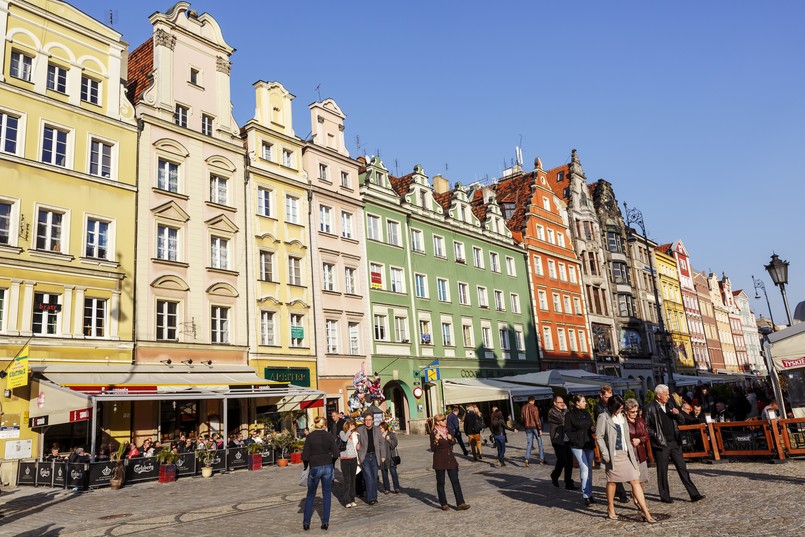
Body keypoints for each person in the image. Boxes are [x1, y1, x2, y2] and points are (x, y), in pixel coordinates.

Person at [643, 384, 705, 504]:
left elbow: (682, 421)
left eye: (668, 394)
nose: (668, 396)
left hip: (674, 442)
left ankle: (694, 494)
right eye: (665, 394)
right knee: (662, 471)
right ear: (658, 395)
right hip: (661, 444)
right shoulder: (649, 408)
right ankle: (665, 495)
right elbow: (646, 427)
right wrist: (657, 436)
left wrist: (678, 414)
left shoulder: (670, 405)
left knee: (683, 468)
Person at [596, 395, 655, 523]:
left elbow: (626, 437)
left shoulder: (622, 417)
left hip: (626, 454)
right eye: (619, 408)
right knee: (612, 482)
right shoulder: (604, 417)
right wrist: (605, 454)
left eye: (622, 408)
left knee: (635, 480)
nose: (620, 411)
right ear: (613, 406)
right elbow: (599, 437)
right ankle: (610, 507)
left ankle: (645, 511)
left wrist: (631, 455)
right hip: (613, 455)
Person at [301, 416, 340, 531]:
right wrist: (331, 463)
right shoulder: (328, 436)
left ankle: (306, 522)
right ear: (324, 425)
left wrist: (306, 466)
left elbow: (305, 456)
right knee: (327, 494)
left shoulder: (310, 436)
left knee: (310, 494)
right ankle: (325, 522)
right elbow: (336, 453)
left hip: (315, 466)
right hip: (327, 466)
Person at [430, 413, 470, 511]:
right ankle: (443, 503)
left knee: (455, 480)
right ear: (437, 422)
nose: (445, 421)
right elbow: (433, 448)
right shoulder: (434, 432)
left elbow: (454, 442)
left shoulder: (448, 429)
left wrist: (451, 438)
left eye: (445, 419)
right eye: (442, 420)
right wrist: (436, 440)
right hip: (439, 460)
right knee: (441, 482)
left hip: (450, 459)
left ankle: (460, 503)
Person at [594, 385, 627, 503]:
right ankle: (621, 494)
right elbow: (601, 431)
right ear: (602, 396)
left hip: (619, 444)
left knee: (618, 472)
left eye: (610, 396)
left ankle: (620, 492)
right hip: (609, 442)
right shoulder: (599, 408)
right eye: (607, 397)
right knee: (613, 472)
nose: (609, 399)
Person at [564, 394, 596, 506]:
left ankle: (590, 493)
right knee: (584, 467)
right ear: (577, 402)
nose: (585, 403)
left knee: (590, 469)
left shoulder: (587, 414)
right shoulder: (570, 415)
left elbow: (590, 425)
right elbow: (567, 430)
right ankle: (586, 495)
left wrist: (593, 429)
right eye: (583, 401)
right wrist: (574, 439)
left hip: (588, 443)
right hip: (577, 445)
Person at [355, 411, 388, 505]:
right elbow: (355, 440)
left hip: (374, 456)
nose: (368, 421)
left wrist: (383, 455)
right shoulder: (360, 430)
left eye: (370, 420)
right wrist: (357, 446)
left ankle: (374, 496)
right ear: (364, 421)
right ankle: (370, 499)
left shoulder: (377, 430)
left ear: (373, 421)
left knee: (374, 477)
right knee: (368, 477)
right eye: (366, 420)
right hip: (364, 456)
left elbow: (382, 443)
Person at [547, 395, 576, 489]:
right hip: (558, 439)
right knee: (562, 459)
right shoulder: (552, 412)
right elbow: (562, 420)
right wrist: (566, 410)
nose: (562, 404)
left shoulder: (563, 411)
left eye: (563, 402)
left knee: (569, 461)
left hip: (566, 438)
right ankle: (555, 475)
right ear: (555, 403)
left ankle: (569, 482)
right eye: (560, 402)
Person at [625, 398, 650, 486]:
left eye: (636, 411)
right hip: (630, 454)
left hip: (641, 453)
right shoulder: (623, 422)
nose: (635, 413)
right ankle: (636, 499)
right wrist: (631, 441)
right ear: (626, 411)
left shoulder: (640, 420)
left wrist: (640, 440)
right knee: (634, 480)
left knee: (642, 480)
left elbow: (647, 435)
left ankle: (639, 498)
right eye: (632, 411)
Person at [339, 420, 359, 508]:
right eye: (351, 425)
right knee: (347, 480)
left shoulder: (355, 434)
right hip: (345, 459)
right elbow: (344, 439)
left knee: (353, 479)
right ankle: (346, 500)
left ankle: (352, 498)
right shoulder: (342, 432)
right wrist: (349, 431)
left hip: (353, 459)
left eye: (354, 425)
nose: (353, 427)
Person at [520, 396, 545, 466]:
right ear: (533, 400)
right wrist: (540, 429)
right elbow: (536, 419)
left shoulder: (523, 407)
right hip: (535, 427)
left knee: (529, 444)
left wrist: (524, 425)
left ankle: (527, 459)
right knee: (539, 443)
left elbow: (522, 418)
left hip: (527, 427)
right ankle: (541, 459)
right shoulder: (534, 407)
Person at [379, 422, 400, 494]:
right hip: (383, 457)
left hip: (391, 457)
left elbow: (394, 445)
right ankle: (386, 488)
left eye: (381, 428)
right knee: (384, 474)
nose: (380, 429)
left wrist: (389, 440)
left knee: (393, 472)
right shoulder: (379, 436)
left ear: (384, 428)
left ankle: (396, 487)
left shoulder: (391, 434)